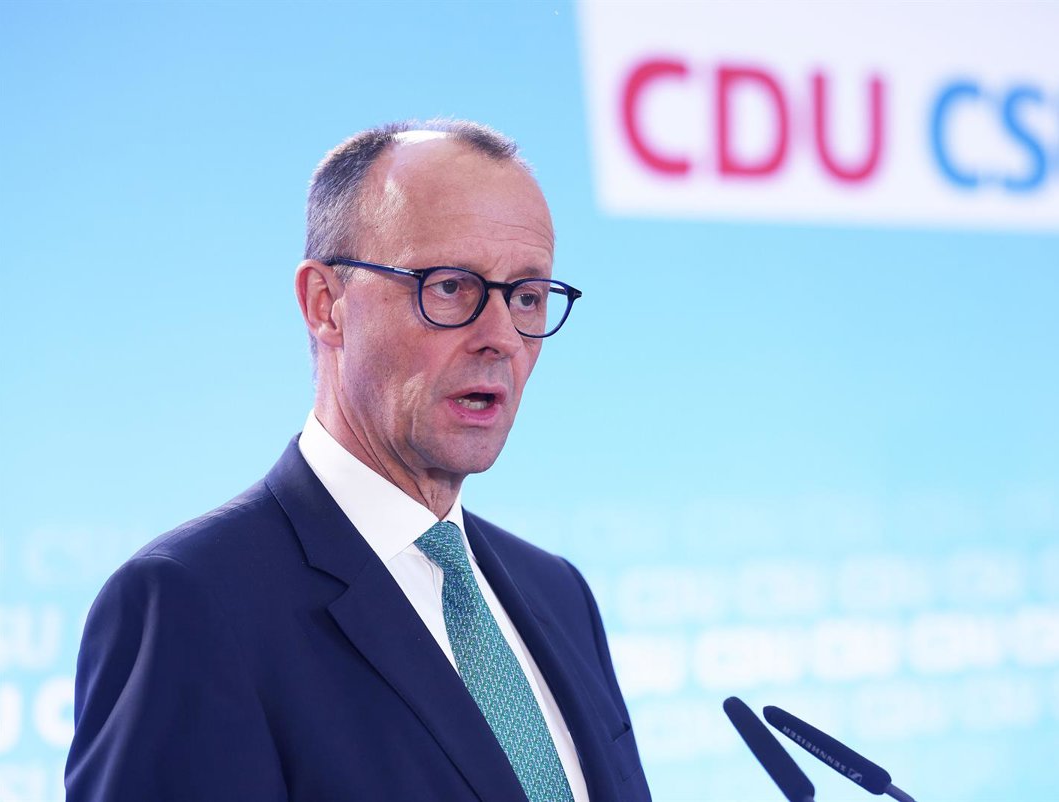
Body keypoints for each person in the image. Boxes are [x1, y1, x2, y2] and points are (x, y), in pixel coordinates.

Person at [65, 120, 650, 802]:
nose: (501, 338)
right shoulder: (191, 605)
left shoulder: (559, 594)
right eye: (450, 287)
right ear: (326, 304)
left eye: (526, 296)